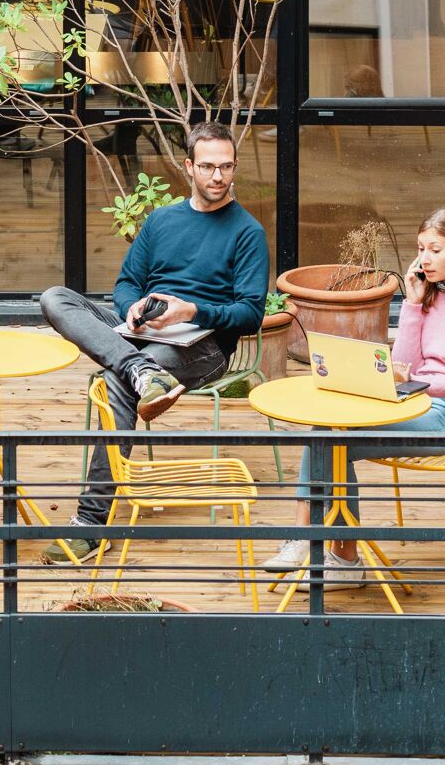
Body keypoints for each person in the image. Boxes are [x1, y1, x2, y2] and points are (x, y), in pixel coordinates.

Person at [37, 121, 270, 563]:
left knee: (115, 382)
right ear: (189, 167)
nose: (217, 177)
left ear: (234, 168)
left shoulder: (247, 233)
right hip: (143, 332)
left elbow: (251, 313)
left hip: (204, 345)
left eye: (225, 167)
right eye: (207, 167)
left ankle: (90, 523)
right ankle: (140, 368)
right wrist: (132, 309)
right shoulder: (162, 220)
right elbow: (126, 283)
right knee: (55, 298)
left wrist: (193, 311)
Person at [262, 207, 445, 581]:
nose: (424, 258)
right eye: (421, 248)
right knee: (327, 432)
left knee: (334, 443)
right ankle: (318, 547)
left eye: (435, 249)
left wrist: (415, 385)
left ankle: (335, 555)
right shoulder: (426, 294)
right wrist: (411, 303)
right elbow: (404, 364)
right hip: (412, 401)